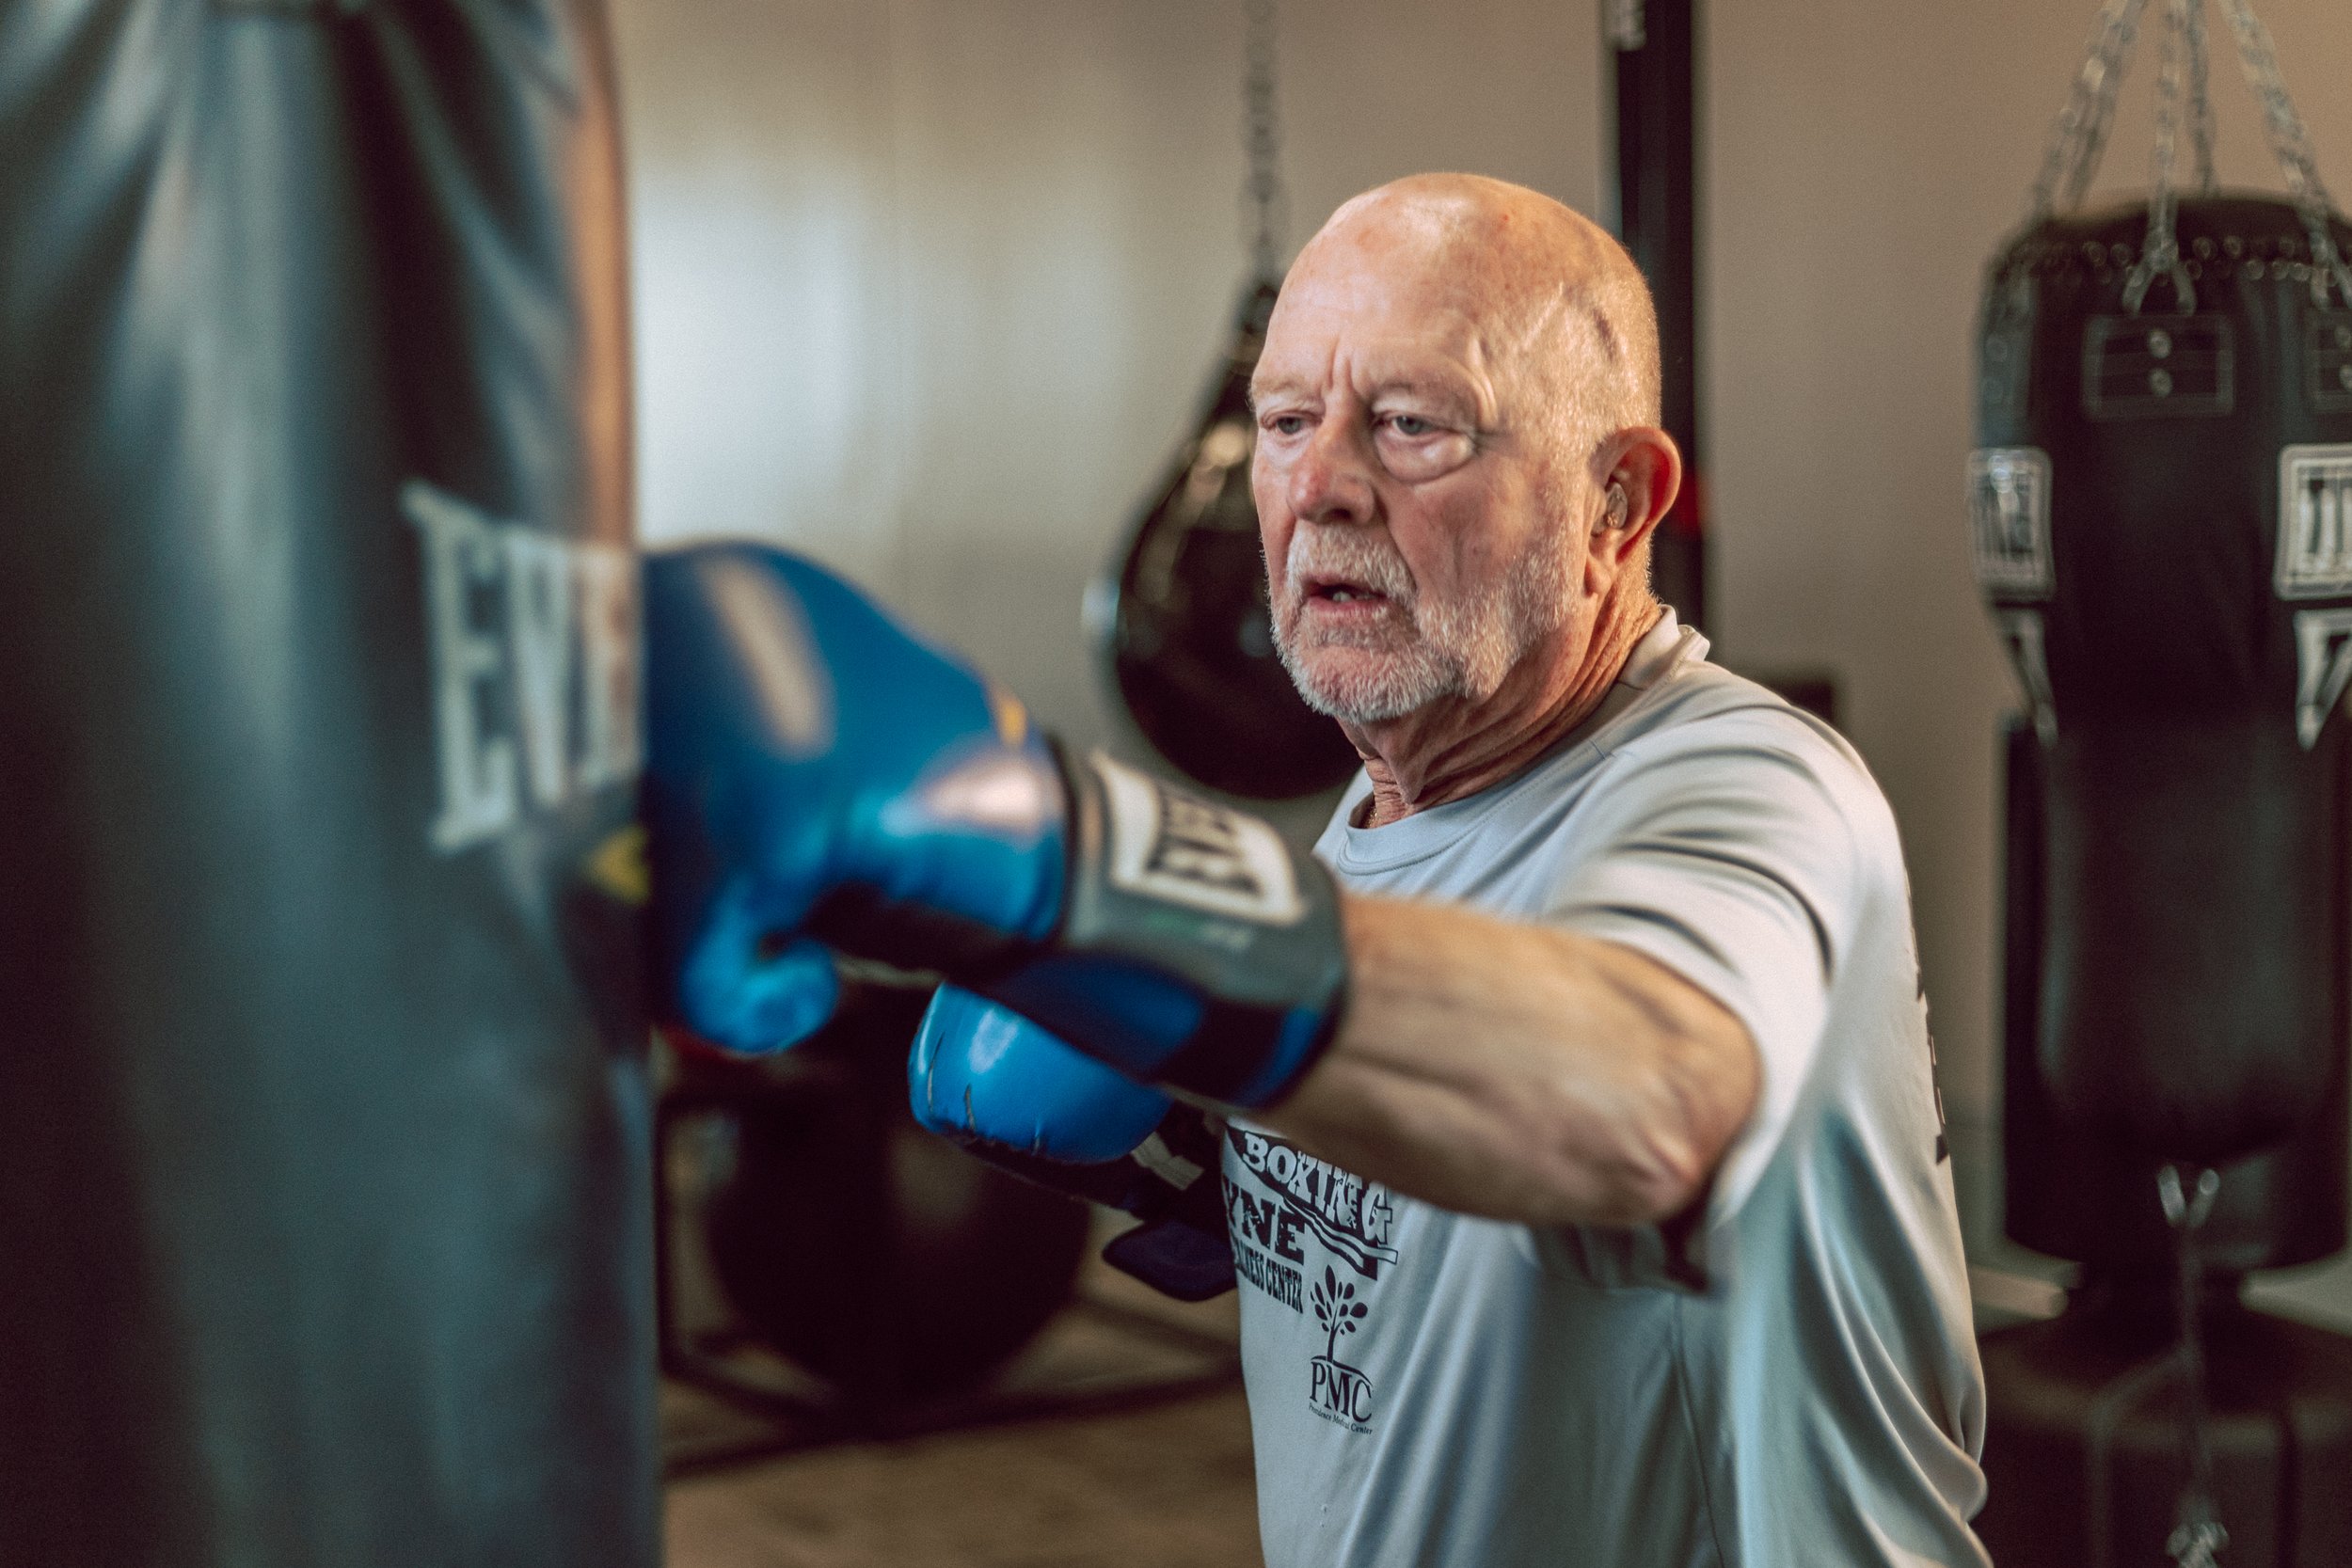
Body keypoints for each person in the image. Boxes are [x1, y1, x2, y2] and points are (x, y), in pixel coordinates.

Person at [644, 174, 1989, 1566]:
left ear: (1616, 503)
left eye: (1412, 425)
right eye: (1286, 422)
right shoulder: (1383, 807)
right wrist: (1206, 1152)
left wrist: (1059, 864)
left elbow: (1646, 1086)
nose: (1323, 487)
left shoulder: (1752, 793)